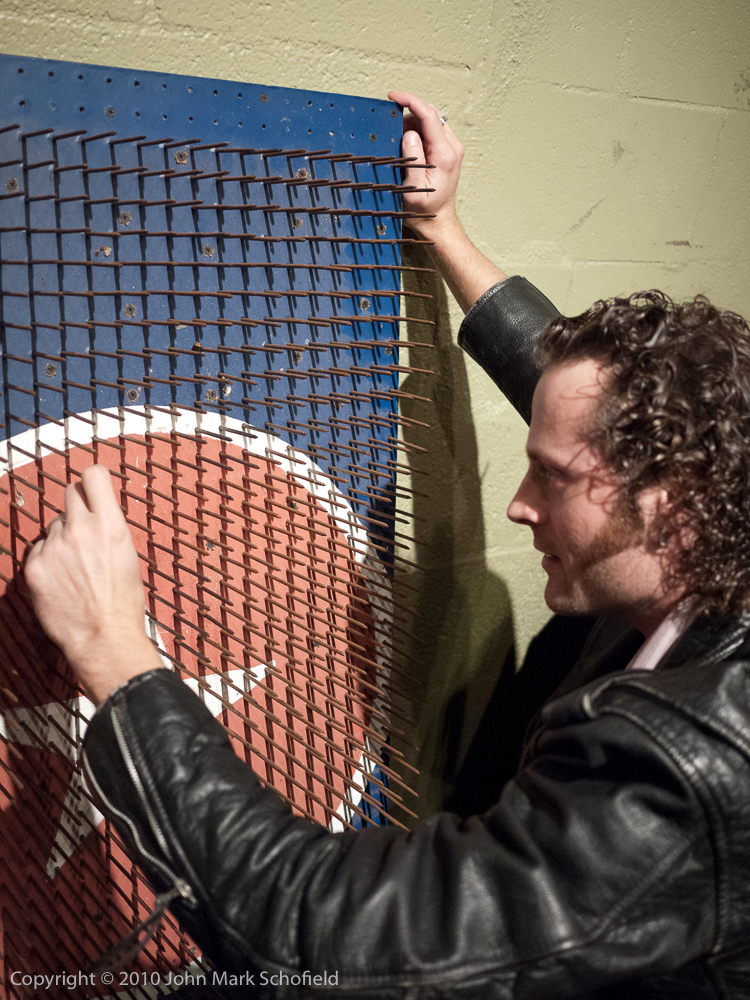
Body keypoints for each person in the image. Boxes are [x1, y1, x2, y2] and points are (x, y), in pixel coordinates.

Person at [23, 92, 750, 998]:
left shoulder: (688, 774)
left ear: (669, 502)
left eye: (551, 480)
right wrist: (444, 230)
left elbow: (319, 938)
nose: (520, 507)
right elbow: (583, 409)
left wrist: (116, 654)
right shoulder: (715, 490)